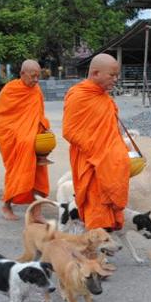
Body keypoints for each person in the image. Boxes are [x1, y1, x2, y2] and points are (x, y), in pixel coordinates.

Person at [62, 53, 130, 231]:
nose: (116, 79)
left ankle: (99, 251)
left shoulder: (105, 98)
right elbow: (69, 131)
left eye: (117, 75)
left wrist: (116, 149)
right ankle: (95, 254)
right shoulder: (79, 95)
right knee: (96, 209)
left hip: (107, 163)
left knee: (107, 210)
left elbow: (110, 130)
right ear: (95, 73)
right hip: (91, 163)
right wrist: (98, 151)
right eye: (112, 75)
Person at [0, 59, 52, 221]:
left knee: (39, 174)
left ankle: (37, 212)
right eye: (33, 76)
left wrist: (44, 126)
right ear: (22, 74)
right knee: (17, 172)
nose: (36, 80)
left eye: (38, 76)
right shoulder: (10, 90)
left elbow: (38, 114)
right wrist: (22, 135)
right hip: (16, 140)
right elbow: (2, 118)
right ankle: (6, 205)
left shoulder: (36, 90)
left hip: (34, 138)